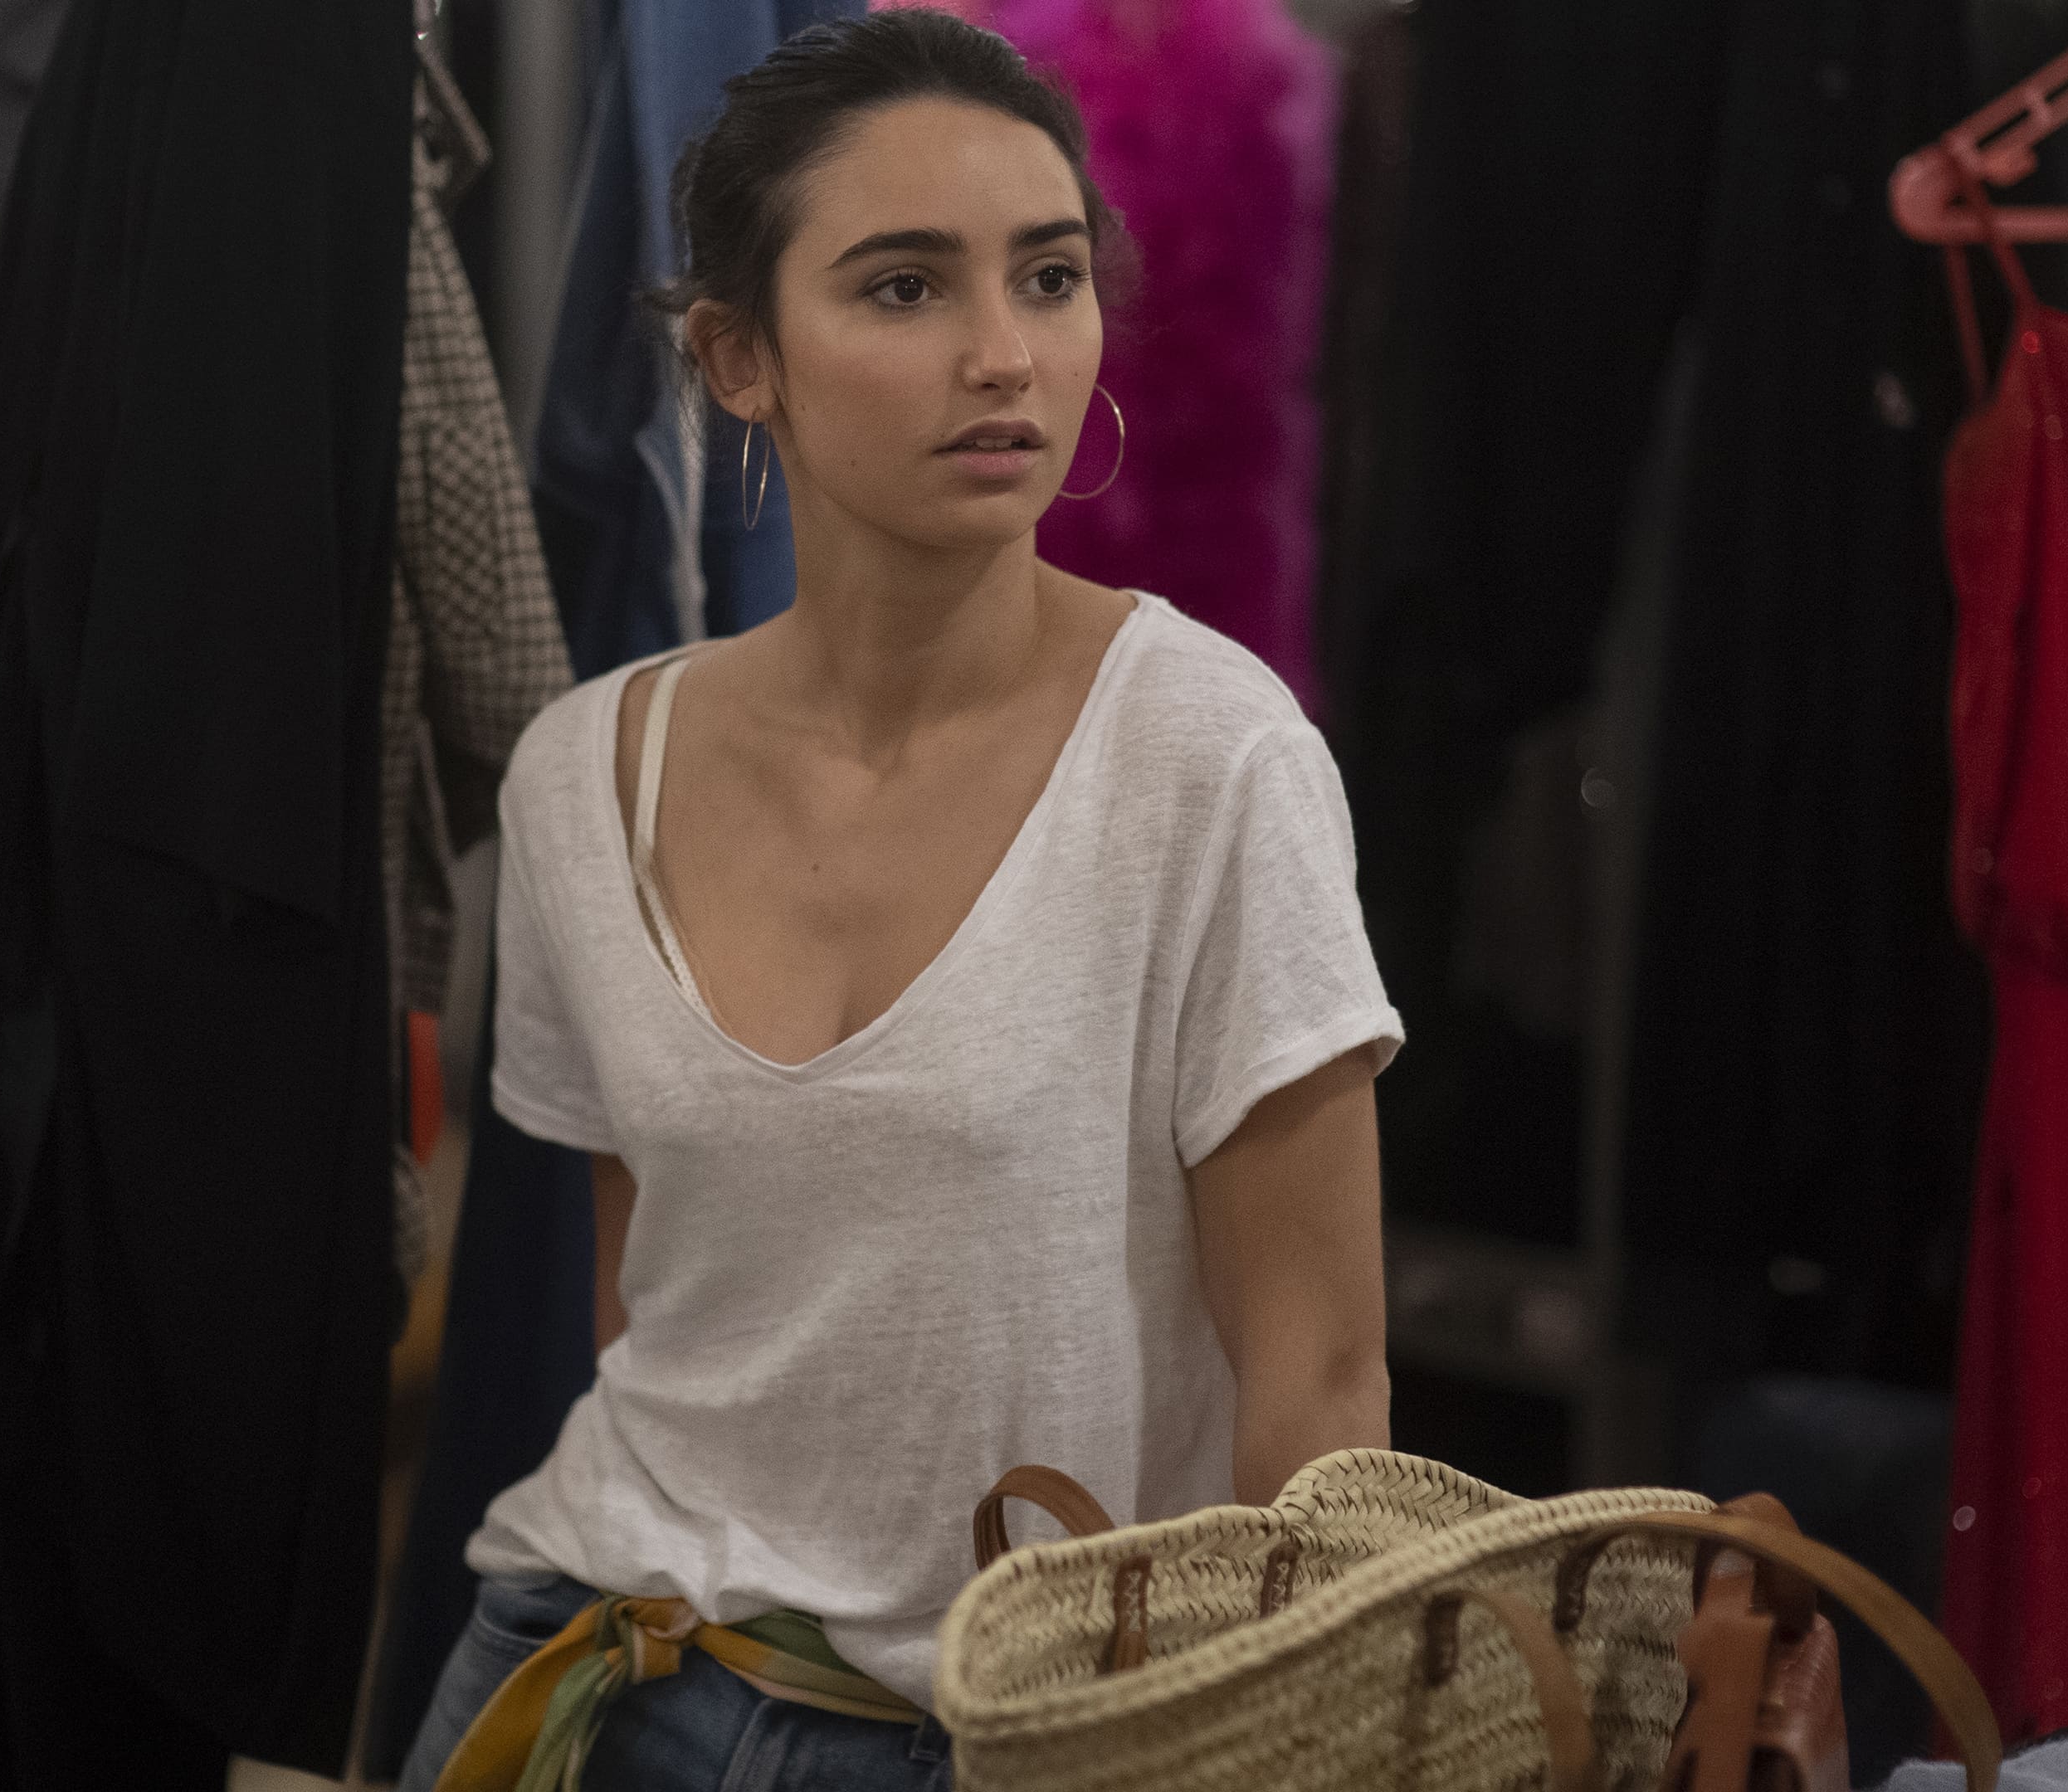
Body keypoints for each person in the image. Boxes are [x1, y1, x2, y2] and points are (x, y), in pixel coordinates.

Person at [398, 13, 1401, 1789]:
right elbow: (654, 1314)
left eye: (1050, 276)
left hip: (1018, 1725)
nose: (1005, 354)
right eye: (906, 287)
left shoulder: (1210, 757)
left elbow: (1321, 1400)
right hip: (593, 1663)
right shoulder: (586, 774)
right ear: (738, 356)